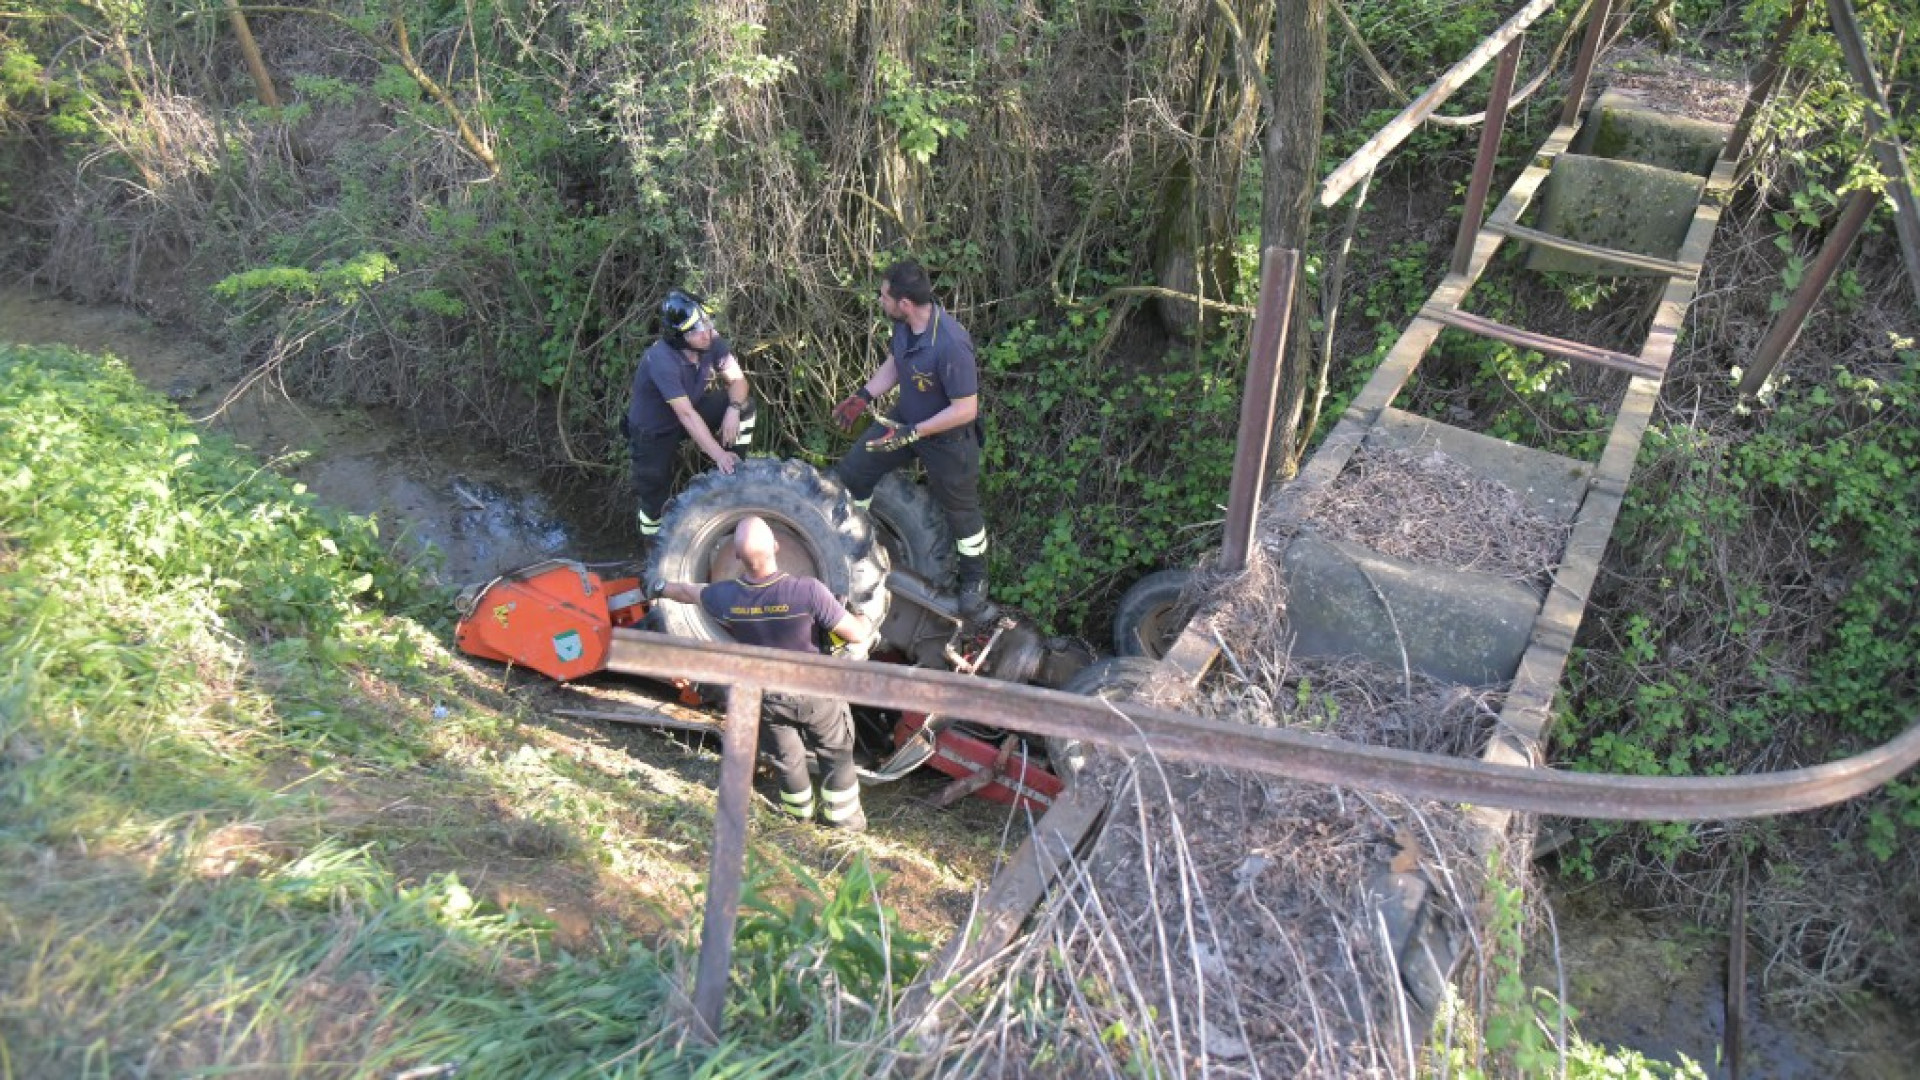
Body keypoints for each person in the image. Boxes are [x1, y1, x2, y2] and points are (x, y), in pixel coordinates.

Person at [651, 516, 874, 831]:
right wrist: (863, 619)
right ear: (777, 546)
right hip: (815, 694)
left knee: (787, 759)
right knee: (835, 752)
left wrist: (659, 586)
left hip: (767, 697)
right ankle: (845, 823)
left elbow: (688, 592)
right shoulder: (808, 592)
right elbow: (854, 635)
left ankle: (798, 818)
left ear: (737, 557)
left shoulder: (726, 597)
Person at [830, 259, 997, 622]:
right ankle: (858, 540)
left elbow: (965, 409)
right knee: (855, 471)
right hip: (905, 419)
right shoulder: (904, 327)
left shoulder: (951, 343)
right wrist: (863, 396)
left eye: (884, 295)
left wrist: (916, 432)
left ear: (904, 302)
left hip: (948, 439)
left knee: (962, 514)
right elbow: (896, 363)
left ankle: (975, 581)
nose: (880, 300)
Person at [626, 289, 755, 546]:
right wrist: (717, 454)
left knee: (745, 406)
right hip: (654, 432)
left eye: (707, 326)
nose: (707, 333)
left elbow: (738, 380)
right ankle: (654, 549)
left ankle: (732, 472)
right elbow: (685, 414)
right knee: (654, 494)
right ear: (679, 337)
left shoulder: (711, 342)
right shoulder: (660, 359)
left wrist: (734, 408)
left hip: (689, 416)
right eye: (697, 331)